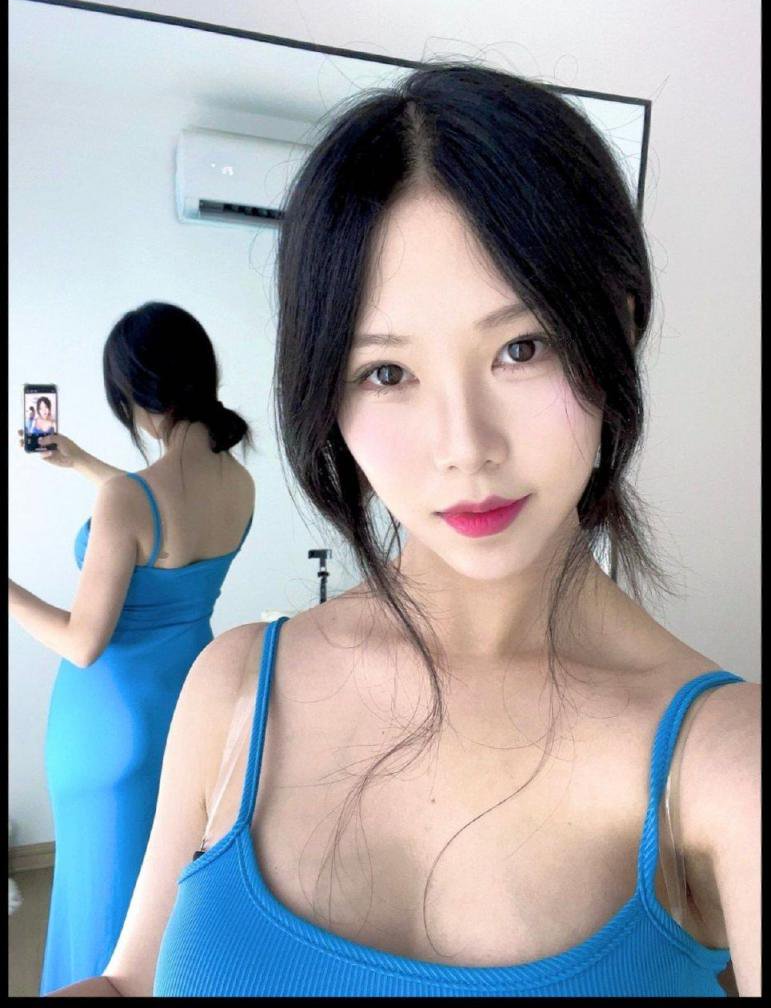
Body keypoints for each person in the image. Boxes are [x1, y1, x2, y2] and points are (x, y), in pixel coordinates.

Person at [43, 63, 759, 999]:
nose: (464, 448)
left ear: (616, 328)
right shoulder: (236, 683)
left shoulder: (726, 762)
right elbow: (132, 981)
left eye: (522, 347)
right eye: (386, 373)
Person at [8, 302, 255, 995]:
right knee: (157, 895)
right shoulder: (239, 483)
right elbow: (157, 517)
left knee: (99, 899)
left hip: (106, 725)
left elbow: (82, 642)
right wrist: (82, 463)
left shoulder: (129, 497)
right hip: (187, 707)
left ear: (131, 395)